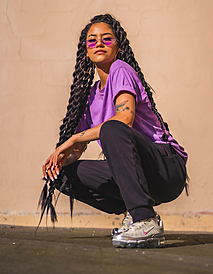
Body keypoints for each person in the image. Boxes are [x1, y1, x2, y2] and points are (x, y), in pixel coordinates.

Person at [41, 14, 188, 248]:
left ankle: (145, 219)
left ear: (118, 46)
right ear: (85, 51)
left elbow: (124, 119)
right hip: (139, 176)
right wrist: (61, 158)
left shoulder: (121, 70)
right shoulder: (89, 98)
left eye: (106, 39)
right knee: (61, 175)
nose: (99, 43)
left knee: (112, 128)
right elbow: (78, 149)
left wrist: (71, 139)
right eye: (92, 40)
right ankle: (135, 210)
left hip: (166, 170)